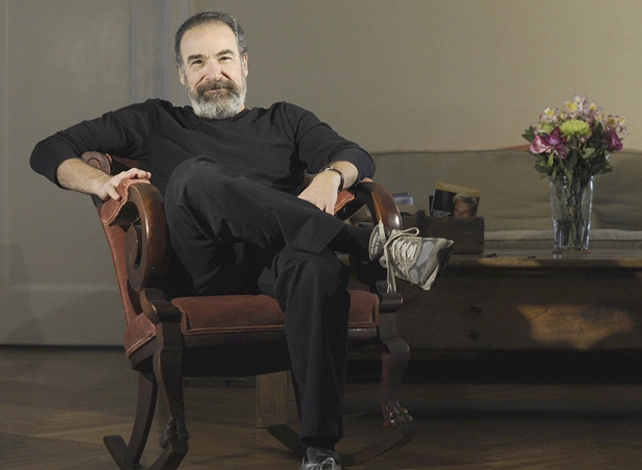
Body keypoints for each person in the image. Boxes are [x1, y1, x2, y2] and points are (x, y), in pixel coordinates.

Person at [30, 11, 452, 470]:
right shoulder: (154, 121)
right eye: (198, 62)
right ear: (182, 74)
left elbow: (355, 155)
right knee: (193, 177)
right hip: (200, 267)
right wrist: (101, 182)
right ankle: (373, 245)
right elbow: (48, 150)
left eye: (224, 58)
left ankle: (320, 449)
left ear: (245, 63)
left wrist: (332, 175)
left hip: (278, 262)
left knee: (319, 268)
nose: (214, 73)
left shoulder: (285, 121)